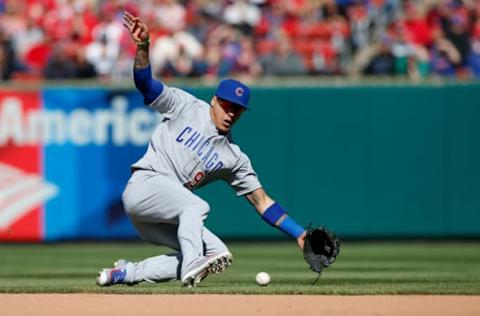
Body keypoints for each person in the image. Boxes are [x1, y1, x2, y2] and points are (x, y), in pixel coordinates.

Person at [96, 11, 307, 288]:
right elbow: (145, 84)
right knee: (198, 206)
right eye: (227, 105)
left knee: (217, 254)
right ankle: (192, 264)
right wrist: (143, 47)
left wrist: (299, 233)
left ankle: (123, 274)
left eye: (238, 110)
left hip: (166, 214)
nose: (231, 113)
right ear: (215, 100)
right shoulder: (185, 106)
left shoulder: (234, 158)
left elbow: (262, 202)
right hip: (146, 184)